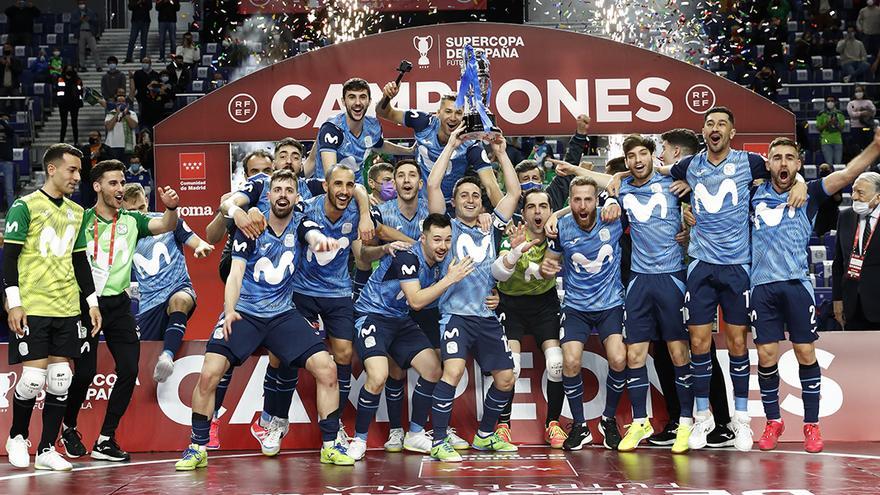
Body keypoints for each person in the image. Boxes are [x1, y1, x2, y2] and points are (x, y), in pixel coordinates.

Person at [641, 107, 807, 452]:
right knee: (699, 344)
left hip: (737, 267)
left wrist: (803, 181)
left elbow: (784, 173)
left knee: (736, 345)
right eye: (709, 123)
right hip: (700, 265)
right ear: (703, 131)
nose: (714, 129)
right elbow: (650, 172)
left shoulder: (751, 162)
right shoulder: (690, 165)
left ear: (733, 132)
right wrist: (613, 181)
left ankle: (740, 421)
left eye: (722, 124)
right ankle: (702, 419)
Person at [174, 169, 355, 470]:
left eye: (289, 190)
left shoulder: (301, 223)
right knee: (209, 372)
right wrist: (230, 310)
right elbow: (235, 274)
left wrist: (323, 244)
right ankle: (197, 446)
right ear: (268, 195)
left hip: (283, 314)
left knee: (327, 369)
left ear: (298, 197)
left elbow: (313, 235)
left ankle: (330, 445)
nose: (283, 194)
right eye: (277, 189)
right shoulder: (250, 228)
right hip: (245, 312)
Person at [753, 135, 880, 455]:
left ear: (798, 164)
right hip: (761, 288)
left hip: (796, 286)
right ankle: (773, 422)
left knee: (805, 355)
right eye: (777, 157)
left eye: (789, 158)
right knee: (767, 357)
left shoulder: (808, 192)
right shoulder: (751, 193)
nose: (782, 162)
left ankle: (811, 425)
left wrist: (875, 147)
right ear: (768, 163)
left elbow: (847, 175)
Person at [59, 160, 180, 462]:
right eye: (113, 183)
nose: (119, 188)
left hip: (118, 305)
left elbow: (165, 225)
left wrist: (171, 208)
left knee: (128, 369)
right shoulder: (80, 220)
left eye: (122, 182)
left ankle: (105, 439)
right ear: (97, 186)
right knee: (85, 372)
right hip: (85, 303)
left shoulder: (131, 221)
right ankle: (69, 427)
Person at [425, 125, 522, 462]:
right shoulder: (445, 226)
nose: (470, 199)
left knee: (506, 378)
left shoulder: (491, 224)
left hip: (486, 315)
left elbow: (512, 193)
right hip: (455, 315)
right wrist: (452, 143)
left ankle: (484, 435)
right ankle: (438, 439)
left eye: (475, 196)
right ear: (454, 202)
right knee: (451, 373)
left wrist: (502, 153)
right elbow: (433, 184)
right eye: (464, 195)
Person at [3, 144, 101, 472]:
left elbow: (79, 261)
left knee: (60, 379)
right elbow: (9, 258)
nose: (78, 177)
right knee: (32, 379)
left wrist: (91, 302)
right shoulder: (24, 206)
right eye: (72, 170)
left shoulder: (76, 212)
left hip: (66, 307)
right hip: (33, 307)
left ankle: (46, 448)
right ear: (52, 169)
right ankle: (17, 436)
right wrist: (14, 303)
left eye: (79, 171)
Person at [347, 213, 471, 460]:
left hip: (399, 320)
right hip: (372, 315)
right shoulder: (407, 256)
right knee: (378, 375)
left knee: (433, 369)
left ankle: (414, 434)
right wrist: (450, 279)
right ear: (423, 239)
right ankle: (359, 439)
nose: (443, 246)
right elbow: (415, 301)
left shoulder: (439, 262)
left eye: (447, 240)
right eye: (437, 239)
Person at [648, 128, 735, 450]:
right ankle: (677, 421)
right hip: (662, 282)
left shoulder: (703, 185)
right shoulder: (666, 187)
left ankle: (723, 422)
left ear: (679, 155)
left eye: (664, 150)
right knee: (662, 352)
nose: (659, 156)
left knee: (702, 352)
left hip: (695, 281)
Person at [539, 176, 626, 452]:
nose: (582, 204)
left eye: (588, 198)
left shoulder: (612, 218)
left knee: (618, 358)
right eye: (577, 199)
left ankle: (608, 420)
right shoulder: (561, 227)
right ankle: (579, 425)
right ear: (570, 202)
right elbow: (549, 263)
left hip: (610, 304)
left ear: (596, 200)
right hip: (576, 308)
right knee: (570, 361)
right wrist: (546, 269)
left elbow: (620, 183)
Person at [491, 187, 567, 448]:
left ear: (550, 211)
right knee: (512, 367)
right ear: (523, 212)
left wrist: (560, 213)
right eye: (531, 206)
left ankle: (553, 424)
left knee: (557, 363)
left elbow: (583, 209)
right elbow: (499, 270)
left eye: (543, 206)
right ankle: (503, 424)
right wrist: (513, 252)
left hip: (544, 305)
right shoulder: (512, 235)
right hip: (509, 305)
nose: (538, 211)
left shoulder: (557, 234)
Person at [122, 183, 213, 382]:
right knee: (144, 368)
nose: (139, 214)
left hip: (178, 287)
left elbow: (197, 242)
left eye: (141, 208)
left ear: (147, 202)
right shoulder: (122, 235)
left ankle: (168, 356)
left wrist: (201, 248)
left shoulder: (169, 222)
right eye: (131, 211)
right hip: (149, 304)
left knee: (180, 300)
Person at [377, 81, 501, 204]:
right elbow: (384, 112)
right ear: (438, 113)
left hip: (449, 206)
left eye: (458, 113)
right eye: (448, 111)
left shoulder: (470, 144)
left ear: (464, 116)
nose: (453, 117)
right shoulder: (423, 122)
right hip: (417, 202)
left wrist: (506, 220)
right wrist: (386, 97)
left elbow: (491, 186)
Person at [310, 77, 413, 181]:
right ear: (343, 101)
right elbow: (331, 177)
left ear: (369, 101)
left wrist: (409, 151)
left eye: (362, 97)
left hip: (357, 187)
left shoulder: (373, 126)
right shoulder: (332, 129)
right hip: (329, 192)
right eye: (352, 97)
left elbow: (378, 145)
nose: (358, 102)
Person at [832, 171, 880, 330]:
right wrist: (837, 299)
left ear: (878, 197)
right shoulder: (844, 217)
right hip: (851, 305)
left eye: (860, 193)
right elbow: (838, 263)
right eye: (853, 191)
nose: (853, 196)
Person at [79, 130, 112, 208]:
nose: (92, 137)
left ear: (99, 137)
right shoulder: (84, 149)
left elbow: (111, 161)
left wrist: (100, 155)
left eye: (94, 135)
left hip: (102, 181)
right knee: (86, 205)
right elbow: (80, 160)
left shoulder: (106, 149)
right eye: (90, 136)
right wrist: (91, 157)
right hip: (87, 181)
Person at [104, 94, 138, 162]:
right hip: (113, 146)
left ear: (126, 104)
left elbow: (133, 125)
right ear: (115, 103)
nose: (121, 103)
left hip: (128, 146)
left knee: (126, 168)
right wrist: (117, 113)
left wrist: (124, 114)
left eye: (123, 101)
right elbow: (109, 127)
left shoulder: (132, 113)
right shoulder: (111, 113)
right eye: (119, 101)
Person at [56, 66, 84, 145]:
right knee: (63, 123)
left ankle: (76, 141)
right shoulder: (60, 79)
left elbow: (80, 91)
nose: (69, 71)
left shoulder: (77, 80)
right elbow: (58, 91)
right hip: (63, 104)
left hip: (74, 103)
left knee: (74, 123)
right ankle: (61, 141)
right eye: (67, 69)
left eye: (70, 69)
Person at [72, 0, 101, 72]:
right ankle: (82, 66)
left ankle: (98, 66)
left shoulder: (90, 12)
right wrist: (80, 20)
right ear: (78, 4)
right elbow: (73, 23)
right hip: (81, 32)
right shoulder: (75, 13)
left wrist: (90, 19)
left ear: (85, 4)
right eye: (80, 3)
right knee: (81, 51)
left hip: (90, 32)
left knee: (94, 50)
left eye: (83, 3)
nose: (81, 5)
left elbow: (96, 21)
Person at [848, 85, 876, 156]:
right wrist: (862, 113)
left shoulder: (868, 102)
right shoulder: (851, 103)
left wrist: (867, 113)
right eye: (857, 91)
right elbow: (852, 114)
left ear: (863, 92)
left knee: (867, 144)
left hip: (866, 127)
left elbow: (873, 112)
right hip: (855, 128)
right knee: (857, 145)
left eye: (860, 91)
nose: (858, 93)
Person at [817, 96, 846, 164]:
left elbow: (841, 128)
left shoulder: (840, 114)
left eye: (832, 101)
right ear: (826, 103)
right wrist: (828, 123)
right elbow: (819, 128)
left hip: (838, 141)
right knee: (829, 163)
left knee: (838, 163)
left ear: (835, 102)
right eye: (828, 101)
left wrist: (835, 123)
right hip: (826, 141)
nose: (830, 102)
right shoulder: (821, 114)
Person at [0, 112, 14, 211]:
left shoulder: (9, 131)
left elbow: (10, 130)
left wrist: (2, 121)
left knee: (9, 189)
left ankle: (11, 212)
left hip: (7, 162)